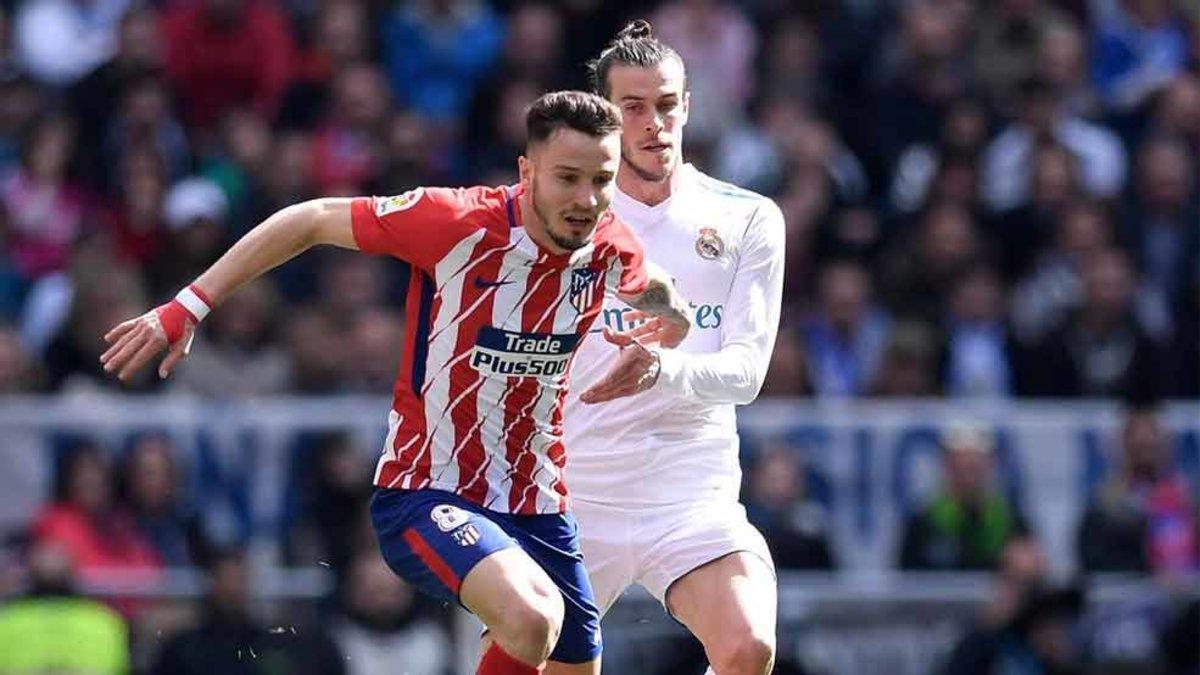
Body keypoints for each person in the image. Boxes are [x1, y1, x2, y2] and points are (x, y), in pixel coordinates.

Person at [99, 89, 692, 675]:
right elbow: (309, 220)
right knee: (533, 618)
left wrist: (673, 318)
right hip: (427, 493)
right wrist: (189, 306)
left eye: (602, 180)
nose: (586, 199)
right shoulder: (457, 222)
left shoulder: (610, 246)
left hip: (538, 502)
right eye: (568, 178)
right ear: (527, 170)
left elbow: (653, 286)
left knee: (571, 660)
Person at [559, 21, 786, 675]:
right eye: (633, 107)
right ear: (604, 114)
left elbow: (746, 372)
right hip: (571, 494)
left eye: (666, 104)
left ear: (686, 106)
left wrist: (661, 367)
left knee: (748, 646)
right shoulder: (558, 219)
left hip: (690, 496)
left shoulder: (747, 216)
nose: (654, 123)